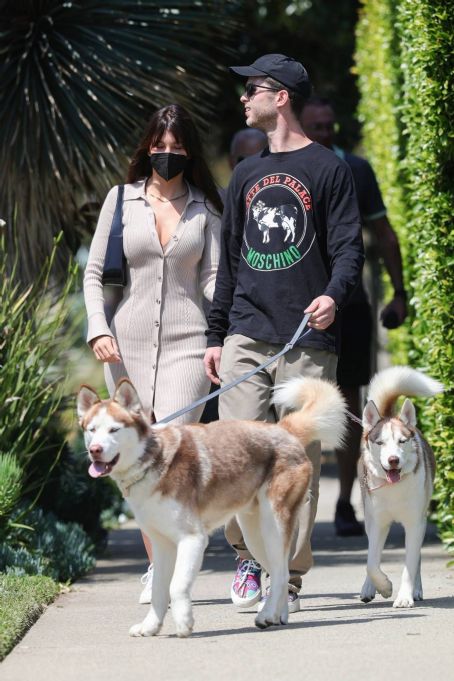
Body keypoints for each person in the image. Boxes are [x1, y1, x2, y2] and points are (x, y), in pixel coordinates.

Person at [203, 54, 364, 613]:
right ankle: (249, 559)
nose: (244, 99)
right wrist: (215, 335)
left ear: (282, 96)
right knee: (237, 453)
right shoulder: (246, 173)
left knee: (299, 460)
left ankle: (287, 578)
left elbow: (348, 248)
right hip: (247, 330)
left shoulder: (329, 170)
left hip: (308, 335)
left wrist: (333, 296)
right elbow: (230, 264)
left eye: (253, 89)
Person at [83, 103, 222, 603]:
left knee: (172, 449)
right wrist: (98, 327)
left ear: (189, 153)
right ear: (147, 149)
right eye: (159, 148)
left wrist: (221, 336)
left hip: (189, 344)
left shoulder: (206, 208)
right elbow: (93, 272)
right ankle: (156, 569)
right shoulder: (121, 200)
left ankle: (174, 555)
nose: (167, 156)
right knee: (136, 456)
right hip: (126, 346)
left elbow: (214, 280)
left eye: (176, 149)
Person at [300, 96, 407, 536]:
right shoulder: (284, 168)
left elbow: (382, 233)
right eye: (316, 127)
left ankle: (346, 500)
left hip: (350, 306)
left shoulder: (356, 170)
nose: (325, 134)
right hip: (295, 310)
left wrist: (400, 293)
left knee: (346, 406)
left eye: (330, 126)